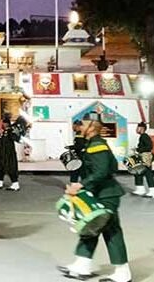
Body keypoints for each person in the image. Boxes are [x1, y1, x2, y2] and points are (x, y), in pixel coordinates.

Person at [59, 118, 131, 282]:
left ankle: (123, 273)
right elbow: (111, 166)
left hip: (107, 194)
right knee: (90, 227)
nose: (80, 126)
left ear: (92, 128)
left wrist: (80, 185)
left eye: (83, 124)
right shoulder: (92, 144)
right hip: (99, 193)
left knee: (111, 231)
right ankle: (82, 265)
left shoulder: (97, 145)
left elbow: (102, 171)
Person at [0, 114, 20, 191]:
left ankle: (15, 184)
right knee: (1, 166)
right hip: (1, 153)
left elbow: (15, 138)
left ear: (5, 123)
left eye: (1, 123)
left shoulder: (10, 131)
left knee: (10, 167)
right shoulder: (1, 131)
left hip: (8, 153)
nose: (0, 124)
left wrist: (11, 131)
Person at [131, 122, 154, 198]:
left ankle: (152, 192)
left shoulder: (144, 136)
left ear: (142, 128)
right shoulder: (143, 136)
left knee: (148, 173)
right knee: (138, 172)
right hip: (144, 157)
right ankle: (140, 189)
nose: (136, 129)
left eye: (137, 127)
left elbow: (149, 146)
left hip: (145, 157)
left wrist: (138, 149)